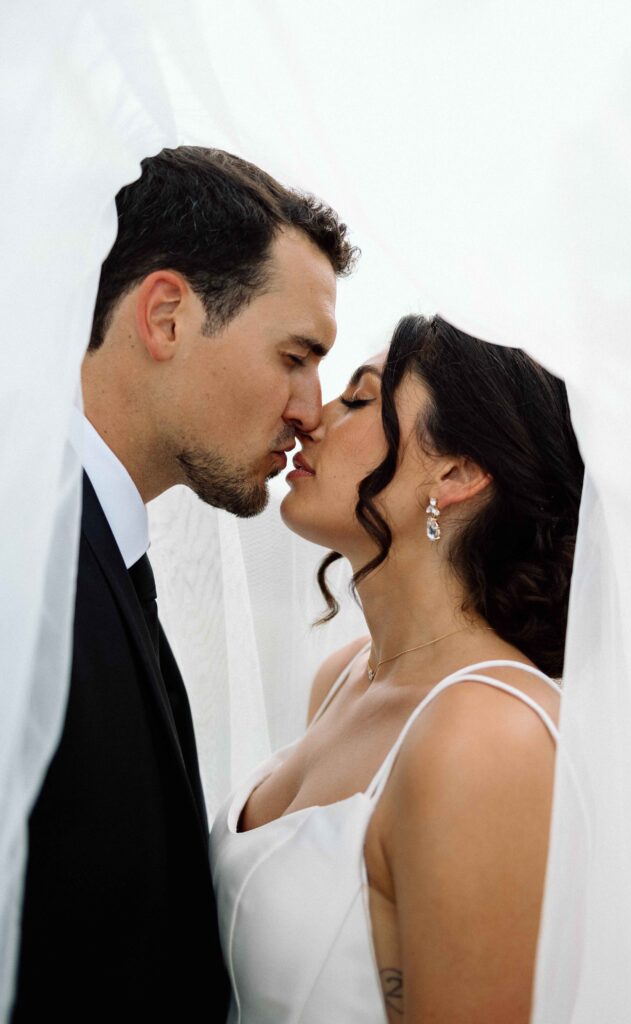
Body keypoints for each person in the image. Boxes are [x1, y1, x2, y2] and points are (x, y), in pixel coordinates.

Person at [12, 146, 357, 1022]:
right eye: (294, 354)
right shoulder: (25, 567)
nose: (309, 409)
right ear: (165, 317)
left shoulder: (100, 549)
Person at [210, 313, 584, 1023]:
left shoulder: (485, 736)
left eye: (357, 399)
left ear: (457, 472)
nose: (310, 418)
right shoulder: (344, 678)